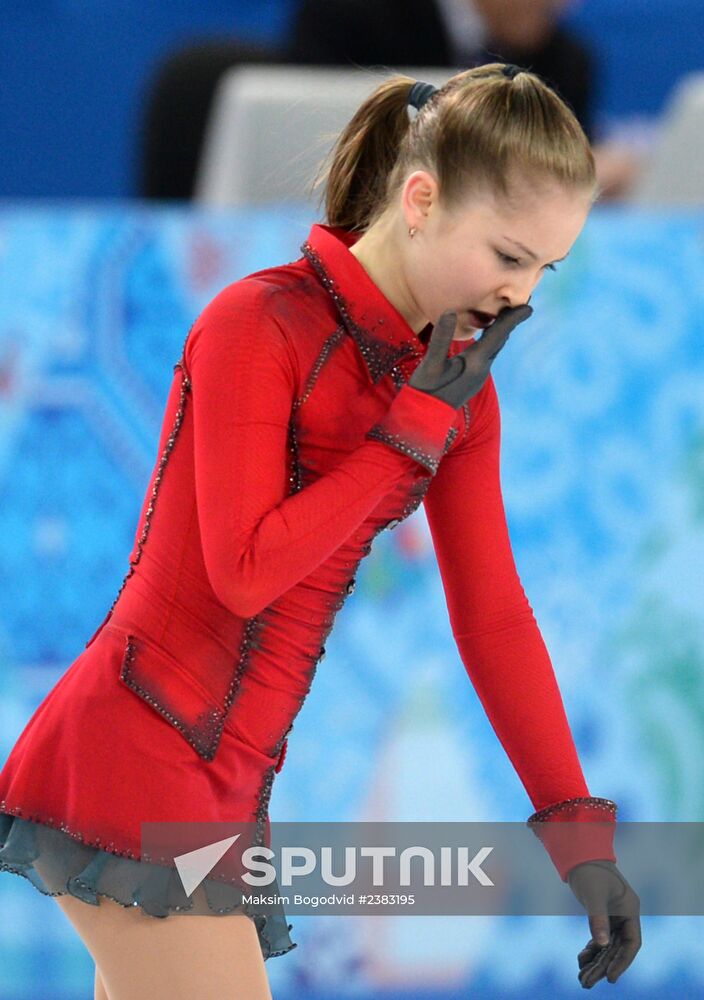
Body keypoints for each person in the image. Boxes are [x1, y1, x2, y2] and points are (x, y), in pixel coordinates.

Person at [0, 63, 641, 998]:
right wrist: (410, 434)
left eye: (548, 265)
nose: (522, 295)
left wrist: (577, 832)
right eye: (509, 255)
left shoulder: (457, 389)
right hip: (133, 755)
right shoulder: (259, 323)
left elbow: (494, 615)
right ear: (420, 200)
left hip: (224, 790)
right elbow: (246, 572)